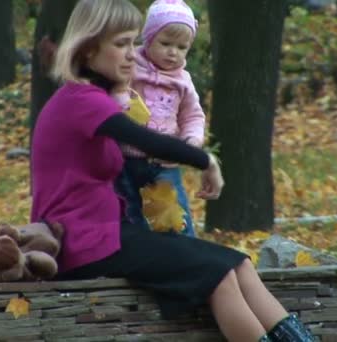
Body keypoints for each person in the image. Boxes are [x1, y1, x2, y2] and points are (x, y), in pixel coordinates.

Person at [30, 0, 314, 341]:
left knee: (239, 264)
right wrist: (206, 161)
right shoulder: (82, 100)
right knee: (219, 275)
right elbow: (147, 140)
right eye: (120, 44)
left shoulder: (90, 98)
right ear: (88, 51)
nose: (131, 54)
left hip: (110, 236)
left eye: (132, 42)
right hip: (83, 243)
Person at [112, 0, 204, 237]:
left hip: (164, 164)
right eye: (166, 43)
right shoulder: (131, 68)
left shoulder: (183, 81)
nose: (173, 52)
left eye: (182, 47)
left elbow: (192, 115)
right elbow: (114, 90)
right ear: (149, 38)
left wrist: (192, 139)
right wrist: (121, 101)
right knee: (130, 214)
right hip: (126, 161)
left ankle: (186, 256)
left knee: (173, 216)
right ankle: (139, 256)